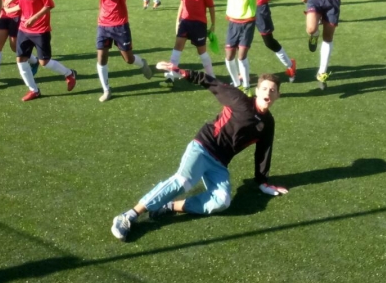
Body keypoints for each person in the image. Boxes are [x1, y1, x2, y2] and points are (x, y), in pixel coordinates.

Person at [110, 66, 287, 242]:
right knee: (182, 181)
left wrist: (262, 181)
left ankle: (168, 206)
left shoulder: (268, 123)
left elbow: (264, 150)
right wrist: (183, 72)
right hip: (203, 147)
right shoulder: (239, 99)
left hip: (220, 162)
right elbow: (213, 83)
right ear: (257, 91)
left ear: (278, 95)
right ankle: (128, 215)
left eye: (272, 90)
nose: (268, 93)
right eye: (264, 88)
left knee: (222, 201)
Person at [0, 0, 77, 102]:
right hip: (24, 29)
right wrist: (10, 7)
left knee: (44, 62)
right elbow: (23, 4)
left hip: (40, 29)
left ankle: (69, 73)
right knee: (20, 59)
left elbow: (49, 5)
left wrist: (34, 18)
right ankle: (34, 90)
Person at [87, 0, 154, 102]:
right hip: (103, 26)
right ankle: (106, 90)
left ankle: (142, 63)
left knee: (128, 59)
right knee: (101, 57)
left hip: (120, 26)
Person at [165, 0, 217, 79]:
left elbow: (211, 7)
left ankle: (211, 75)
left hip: (199, 24)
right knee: (177, 47)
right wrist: (178, 21)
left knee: (202, 51)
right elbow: (182, 4)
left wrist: (213, 24)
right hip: (185, 22)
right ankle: (171, 74)